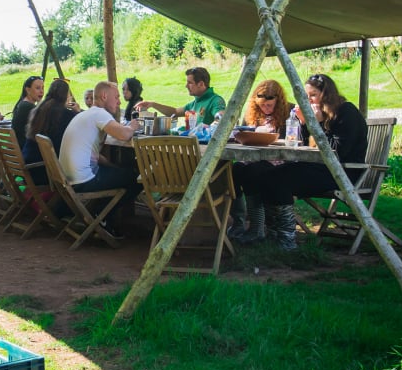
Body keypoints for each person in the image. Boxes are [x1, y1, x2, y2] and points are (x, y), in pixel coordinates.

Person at [237, 73, 367, 251]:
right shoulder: (319, 111)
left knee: (279, 180)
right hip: (318, 167)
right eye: (306, 96)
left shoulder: (346, 111)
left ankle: (287, 238)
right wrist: (305, 123)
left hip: (342, 172)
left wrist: (318, 123)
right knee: (266, 175)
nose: (309, 100)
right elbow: (305, 143)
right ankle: (273, 233)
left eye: (312, 95)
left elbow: (339, 151)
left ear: (327, 94)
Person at [58, 81, 143, 239]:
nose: (119, 101)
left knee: (119, 173)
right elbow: (124, 135)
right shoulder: (99, 113)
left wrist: (112, 166)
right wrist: (132, 126)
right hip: (84, 181)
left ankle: (100, 215)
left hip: (68, 179)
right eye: (116, 97)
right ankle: (103, 216)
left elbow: (94, 156)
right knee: (137, 178)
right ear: (104, 96)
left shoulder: (86, 114)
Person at [227, 80, 292, 243]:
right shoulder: (252, 113)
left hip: (278, 159)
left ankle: (257, 226)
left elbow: (289, 140)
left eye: (269, 105)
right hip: (253, 155)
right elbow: (242, 132)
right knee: (234, 170)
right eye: (262, 105)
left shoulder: (289, 112)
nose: (266, 109)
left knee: (253, 173)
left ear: (278, 101)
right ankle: (239, 221)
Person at [22, 79, 79, 185]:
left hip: (29, 166)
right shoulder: (65, 114)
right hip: (44, 171)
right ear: (66, 96)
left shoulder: (39, 109)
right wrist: (77, 112)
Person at [136, 67, 226, 128]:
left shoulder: (215, 100)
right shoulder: (194, 103)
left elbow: (221, 117)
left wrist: (217, 119)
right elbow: (174, 112)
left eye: (190, 83)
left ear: (201, 84)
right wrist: (152, 104)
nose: (186, 86)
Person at [10, 75, 45, 148]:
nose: (41, 91)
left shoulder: (22, 104)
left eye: (42, 88)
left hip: (17, 150)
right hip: (25, 152)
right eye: (38, 88)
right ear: (28, 90)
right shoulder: (27, 107)